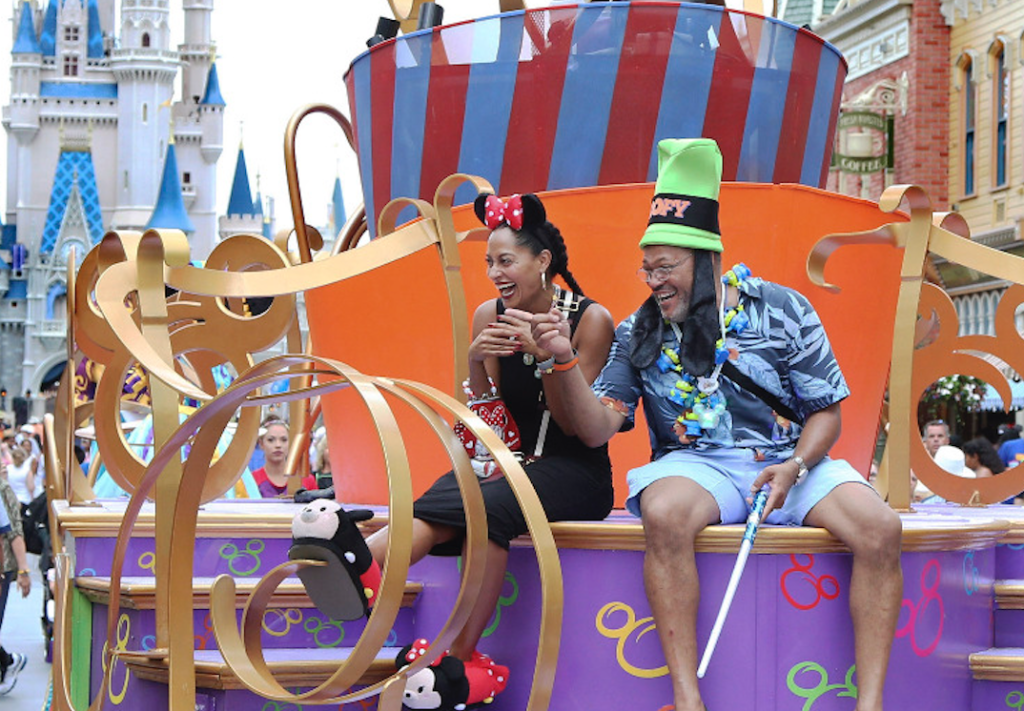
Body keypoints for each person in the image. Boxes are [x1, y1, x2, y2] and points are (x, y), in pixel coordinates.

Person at [531, 138, 902, 711]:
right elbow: (596, 427)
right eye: (647, 268)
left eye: (666, 267)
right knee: (664, 512)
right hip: (696, 465)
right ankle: (688, 699)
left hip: (791, 457)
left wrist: (795, 466)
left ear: (708, 262)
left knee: (881, 529)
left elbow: (825, 411)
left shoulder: (784, 308)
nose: (653, 281)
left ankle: (872, 703)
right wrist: (560, 359)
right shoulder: (637, 332)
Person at [365, 191, 615, 702]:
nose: (495, 273)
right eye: (488, 262)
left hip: (574, 471)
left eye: (506, 260)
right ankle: (359, 572)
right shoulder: (488, 316)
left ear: (541, 262)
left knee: (490, 508)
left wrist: (550, 356)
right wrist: (477, 363)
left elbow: (573, 425)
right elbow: (485, 431)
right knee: (442, 496)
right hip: (509, 462)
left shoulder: (590, 320)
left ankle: (457, 661)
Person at [0, 460, 29, 695]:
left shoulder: (3, 489)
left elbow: (13, 532)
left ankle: (8, 662)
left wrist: (23, 570)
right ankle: (8, 662)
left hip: (3, 566)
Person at [250, 417, 315, 498]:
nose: (278, 445)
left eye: (284, 440)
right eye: (271, 440)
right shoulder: (251, 480)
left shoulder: (307, 480)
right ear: (261, 444)